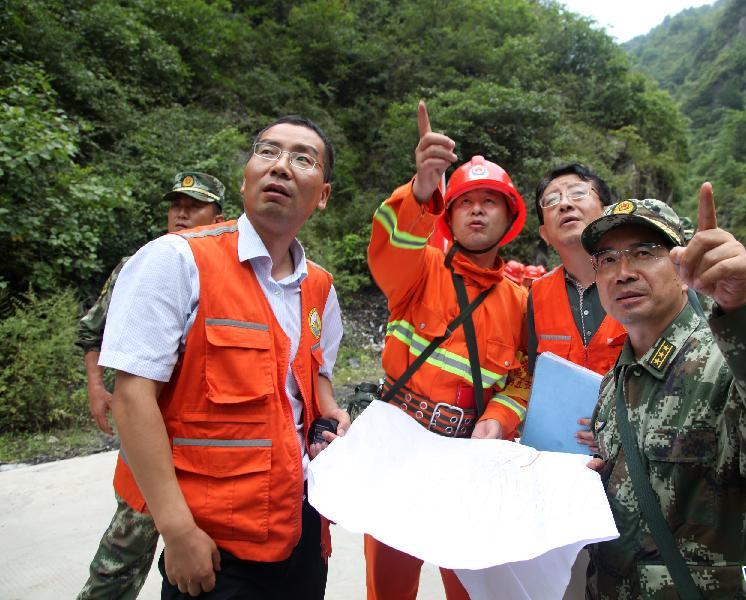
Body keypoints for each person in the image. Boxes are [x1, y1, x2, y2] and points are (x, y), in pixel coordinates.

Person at [98, 116, 349, 599]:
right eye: (267, 152)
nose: (280, 166)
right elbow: (132, 401)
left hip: (302, 531)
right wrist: (177, 531)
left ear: (322, 195)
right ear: (245, 177)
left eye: (302, 158)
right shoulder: (176, 260)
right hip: (212, 545)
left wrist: (333, 418)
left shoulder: (320, 287)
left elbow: (317, 385)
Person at [580, 188, 746, 598]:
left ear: (682, 268)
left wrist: (740, 308)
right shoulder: (613, 383)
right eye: (608, 259)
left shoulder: (725, 362)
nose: (623, 272)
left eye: (644, 252)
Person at [365, 101, 531, 600]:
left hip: (468, 459)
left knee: (470, 587)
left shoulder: (521, 303)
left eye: (489, 200)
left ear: (510, 217)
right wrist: (421, 188)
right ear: (447, 214)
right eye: (463, 201)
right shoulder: (420, 270)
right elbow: (392, 246)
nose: (476, 209)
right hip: (400, 448)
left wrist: (498, 419)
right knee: (389, 587)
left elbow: (522, 380)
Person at [77, 171, 225, 600]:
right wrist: (96, 386)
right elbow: (93, 330)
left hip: (212, 446)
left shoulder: (240, 267)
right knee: (121, 559)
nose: (181, 212)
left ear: (219, 214)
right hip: (150, 437)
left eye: (194, 205)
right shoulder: (141, 264)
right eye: (176, 203)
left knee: (209, 568)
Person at [529, 164, 627, 378]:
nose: (564, 203)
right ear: (544, 234)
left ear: (608, 212)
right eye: (552, 200)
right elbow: (528, 376)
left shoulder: (646, 279)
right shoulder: (535, 296)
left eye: (578, 193)